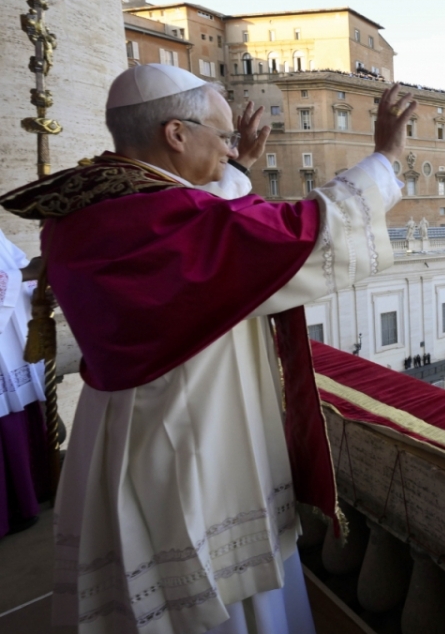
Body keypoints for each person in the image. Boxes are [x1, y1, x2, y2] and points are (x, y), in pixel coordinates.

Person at [0, 65, 416, 634]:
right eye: (220, 138)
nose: (228, 151)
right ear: (175, 134)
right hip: (190, 433)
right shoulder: (168, 221)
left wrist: (236, 161)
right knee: (215, 592)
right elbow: (299, 229)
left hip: (124, 426)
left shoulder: (90, 205)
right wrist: (385, 159)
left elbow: (207, 212)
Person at [0, 229, 49, 539]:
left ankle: (28, 498)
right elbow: (20, 270)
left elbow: (15, 264)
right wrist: (27, 273)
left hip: (11, 345)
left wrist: (37, 289)